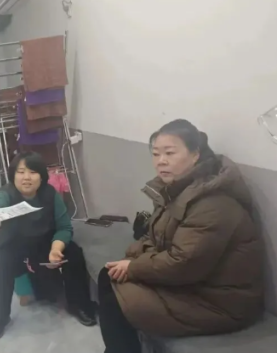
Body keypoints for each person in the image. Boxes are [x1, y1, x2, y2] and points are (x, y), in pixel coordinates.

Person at [98, 119, 264, 353]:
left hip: (220, 301)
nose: (161, 161)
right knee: (109, 275)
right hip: (193, 285)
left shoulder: (214, 202)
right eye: (156, 154)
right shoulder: (177, 190)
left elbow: (184, 263)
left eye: (170, 153)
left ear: (195, 154)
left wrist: (134, 267)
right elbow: (155, 236)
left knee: (117, 299)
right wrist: (132, 258)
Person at [0, 152, 97, 340]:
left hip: (44, 242)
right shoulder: (6, 193)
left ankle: (78, 305)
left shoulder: (50, 194)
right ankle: (0, 318)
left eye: (33, 172)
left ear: (42, 176)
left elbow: (64, 227)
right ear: (13, 175)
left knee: (74, 254)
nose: (26, 177)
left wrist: (56, 249)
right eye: (21, 172)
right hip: (14, 245)